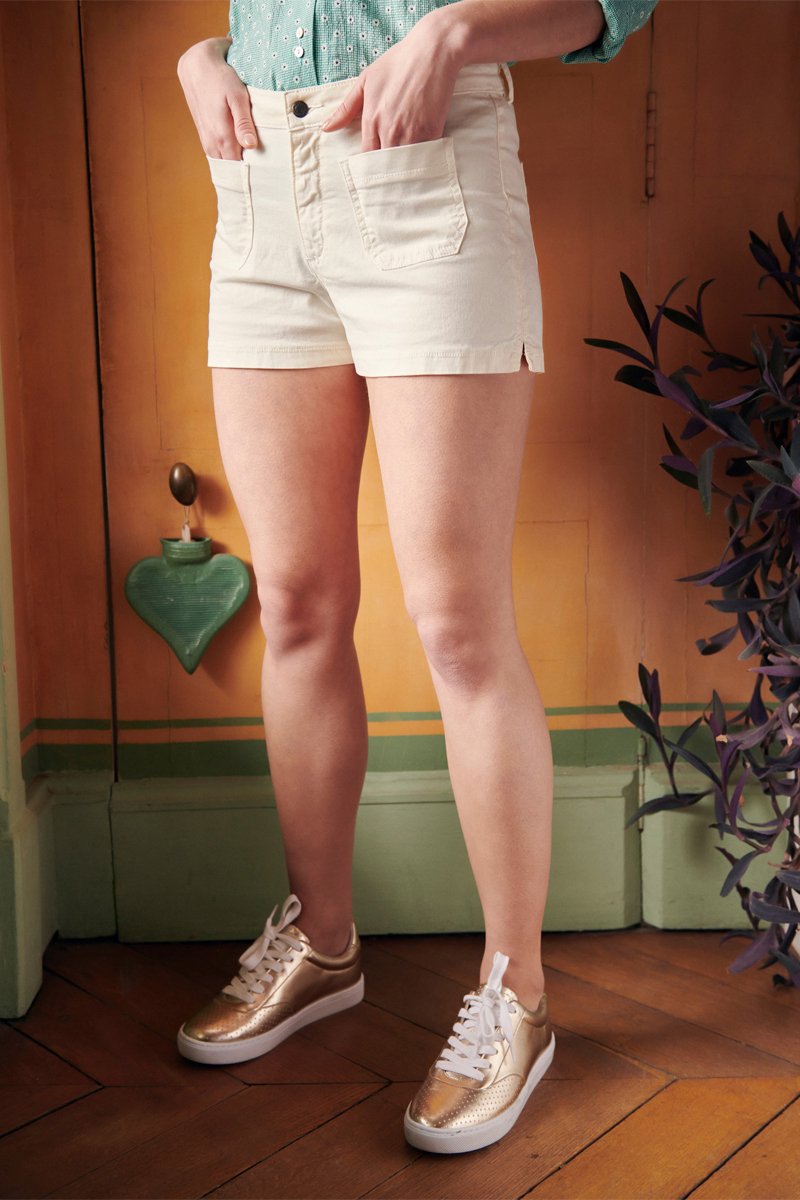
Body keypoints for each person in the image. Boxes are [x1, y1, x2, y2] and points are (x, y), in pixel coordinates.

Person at [175, 0, 659, 1154]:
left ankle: (515, 997)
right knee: (294, 602)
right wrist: (200, 56)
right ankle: (322, 945)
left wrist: (452, 34)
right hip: (257, 181)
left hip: (424, 170)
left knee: (456, 624)